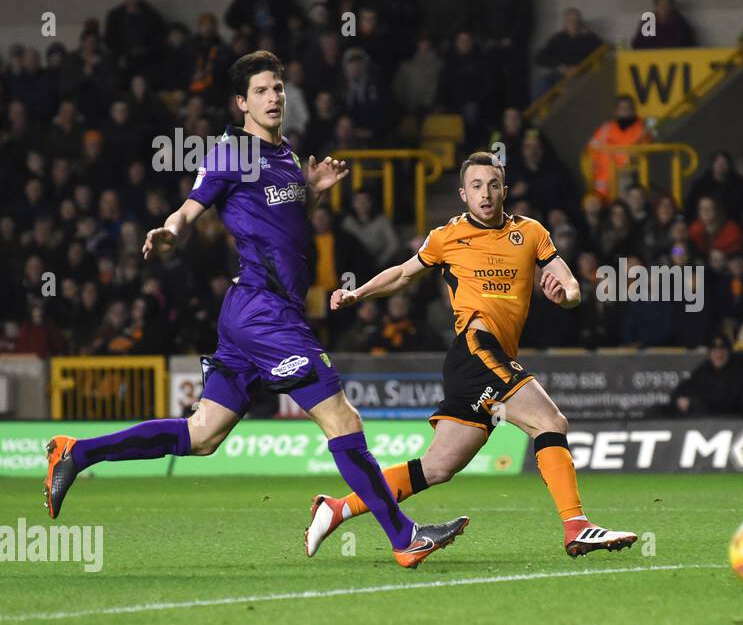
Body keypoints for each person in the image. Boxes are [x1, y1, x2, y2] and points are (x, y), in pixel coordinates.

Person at [42, 51, 458, 569]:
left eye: (279, 87)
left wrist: (315, 195)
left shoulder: (286, 154)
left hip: (254, 311)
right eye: (262, 90)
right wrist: (169, 235)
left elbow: (284, 223)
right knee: (341, 416)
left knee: (202, 436)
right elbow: (189, 210)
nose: (275, 96)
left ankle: (75, 452)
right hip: (264, 314)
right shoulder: (230, 153)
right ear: (242, 102)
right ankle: (403, 537)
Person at [307, 152, 637, 559]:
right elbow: (402, 273)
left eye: (493, 184)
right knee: (550, 421)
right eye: (476, 186)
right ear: (463, 194)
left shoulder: (531, 233)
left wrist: (565, 297)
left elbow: (569, 285)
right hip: (476, 348)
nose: (486, 193)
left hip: (478, 363)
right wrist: (358, 292)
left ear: (505, 190)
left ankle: (338, 508)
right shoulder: (446, 237)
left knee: (438, 467)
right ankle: (576, 526)